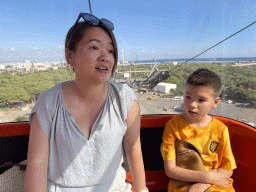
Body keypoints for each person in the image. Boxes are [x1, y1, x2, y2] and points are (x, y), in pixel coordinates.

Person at [24, 13, 148, 192]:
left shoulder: (125, 99)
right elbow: (37, 163)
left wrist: (142, 190)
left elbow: (133, 150)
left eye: (111, 51)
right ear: (70, 56)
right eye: (95, 47)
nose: (105, 56)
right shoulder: (49, 102)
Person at [160, 68, 237, 192]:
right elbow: (171, 170)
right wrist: (206, 177)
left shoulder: (221, 129)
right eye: (188, 97)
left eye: (201, 100)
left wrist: (205, 182)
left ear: (215, 102)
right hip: (183, 183)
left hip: (215, 182)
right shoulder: (173, 126)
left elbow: (228, 168)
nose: (192, 104)